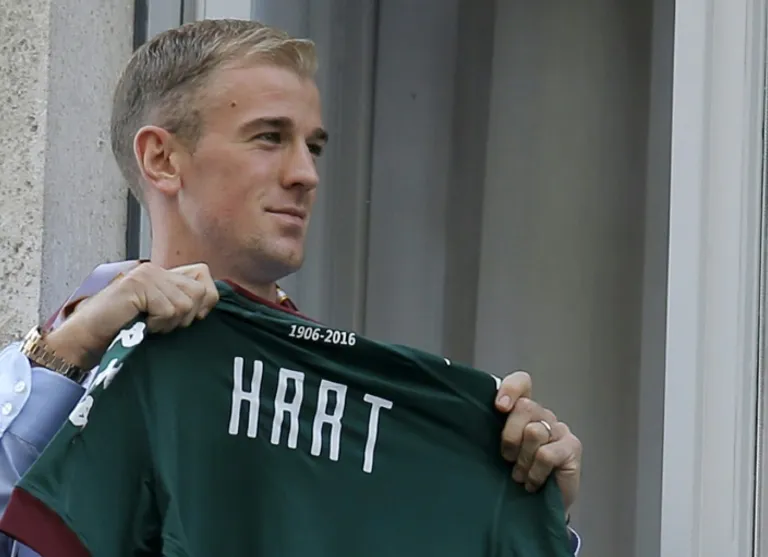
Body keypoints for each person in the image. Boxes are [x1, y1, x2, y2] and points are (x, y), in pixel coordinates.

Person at [0, 19, 583, 556]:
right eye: (269, 137)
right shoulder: (69, 357)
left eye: (314, 147)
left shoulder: (350, 402)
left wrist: (528, 507)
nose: (306, 174)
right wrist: (67, 353)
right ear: (162, 159)